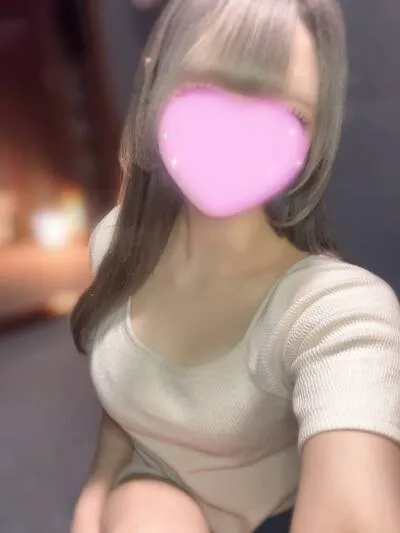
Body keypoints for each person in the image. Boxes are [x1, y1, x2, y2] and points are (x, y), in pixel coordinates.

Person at [70, 0, 400, 532]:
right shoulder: (112, 241)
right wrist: (97, 491)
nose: (235, 138)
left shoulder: (337, 313)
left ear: (316, 133)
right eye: (203, 90)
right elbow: (126, 401)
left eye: (286, 113)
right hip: (154, 486)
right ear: (155, 86)